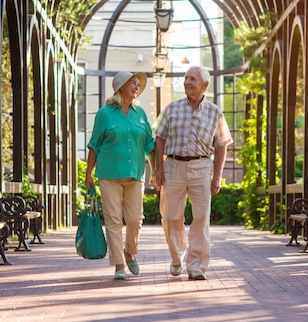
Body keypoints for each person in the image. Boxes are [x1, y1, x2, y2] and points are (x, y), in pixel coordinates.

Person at [153, 66, 232, 280]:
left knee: (201, 218)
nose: (187, 82)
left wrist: (217, 176)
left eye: (192, 79)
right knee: (170, 216)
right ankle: (177, 255)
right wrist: (158, 168)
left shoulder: (215, 112)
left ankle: (196, 265)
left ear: (205, 85)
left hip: (202, 167)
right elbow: (158, 137)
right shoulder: (171, 109)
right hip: (173, 166)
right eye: (186, 78)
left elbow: (222, 144)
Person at [85, 71, 156, 280]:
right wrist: (88, 173)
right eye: (132, 83)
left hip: (135, 174)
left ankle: (129, 251)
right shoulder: (105, 114)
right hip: (109, 174)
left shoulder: (140, 114)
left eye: (137, 84)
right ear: (121, 87)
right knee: (113, 220)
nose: (136, 87)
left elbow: (149, 145)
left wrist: (157, 171)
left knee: (135, 219)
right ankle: (119, 265)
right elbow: (94, 145)